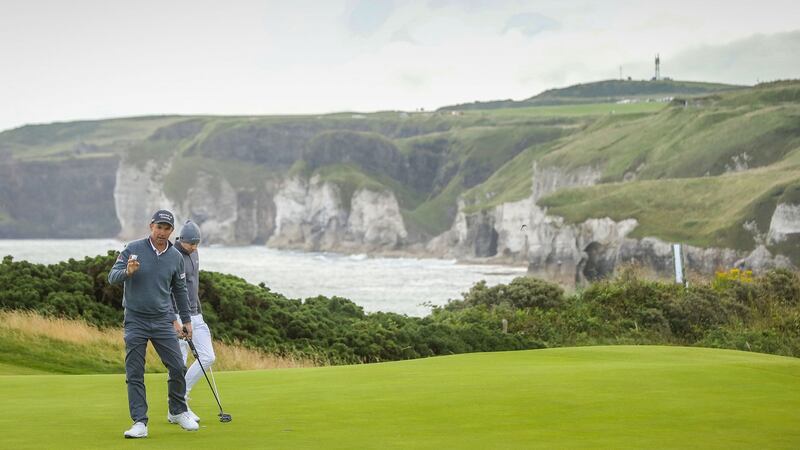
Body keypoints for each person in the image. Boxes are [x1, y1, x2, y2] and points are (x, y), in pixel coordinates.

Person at [108, 209, 199, 438]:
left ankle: (178, 411)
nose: (162, 232)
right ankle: (140, 422)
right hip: (135, 320)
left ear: (172, 231)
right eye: (159, 227)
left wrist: (186, 320)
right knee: (135, 372)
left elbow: (179, 291)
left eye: (167, 228)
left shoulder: (175, 257)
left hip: (162, 320)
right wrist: (127, 272)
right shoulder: (133, 249)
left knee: (178, 366)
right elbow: (112, 277)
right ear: (151, 226)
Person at [172, 219, 216, 422]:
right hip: (179, 316)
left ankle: (181, 397)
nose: (194, 247)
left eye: (197, 243)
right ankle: (178, 408)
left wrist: (198, 310)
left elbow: (193, 284)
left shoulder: (194, 253)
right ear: (181, 240)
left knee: (208, 356)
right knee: (179, 363)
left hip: (195, 315)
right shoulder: (172, 256)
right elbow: (167, 290)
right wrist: (174, 319)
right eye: (191, 243)